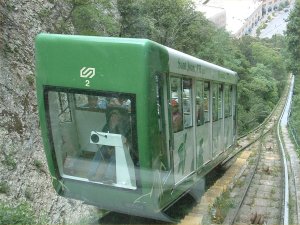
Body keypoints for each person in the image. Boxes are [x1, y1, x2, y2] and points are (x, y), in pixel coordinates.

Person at [88, 105, 131, 183]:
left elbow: (122, 140)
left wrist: (113, 149)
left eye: (115, 117)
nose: (113, 118)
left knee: (114, 158)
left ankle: (108, 177)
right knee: (98, 153)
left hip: (118, 148)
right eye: (112, 116)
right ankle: (91, 173)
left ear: (118, 119)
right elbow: (103, 138)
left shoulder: (121, 128)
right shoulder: (106, 126)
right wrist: (108, 149)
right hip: (106, 147)